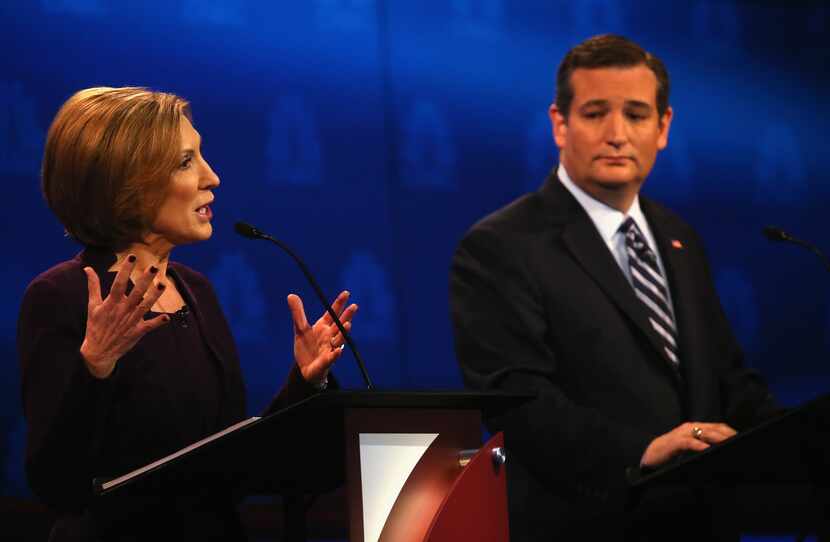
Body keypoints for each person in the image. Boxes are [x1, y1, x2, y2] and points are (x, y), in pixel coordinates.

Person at [450, 35, 780, 540]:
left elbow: (728, 379)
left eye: (636, 114)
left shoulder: (679, 238)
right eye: (595, 113)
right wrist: (642, 450)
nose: (617, 134)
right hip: (588, 523)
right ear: (559, 124)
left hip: (697, 523)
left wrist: (795, 441)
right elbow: (518, 402)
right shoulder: (500, 246)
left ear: (664, 127)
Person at [17, 87, 358, 541]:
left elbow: (229, 464)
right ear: (125, 180)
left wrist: (305, 383)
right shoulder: (60, 297)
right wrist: (94, 368)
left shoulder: (196, 291)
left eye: (201, 157)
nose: (212, 177)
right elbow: (55, 483)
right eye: (185, 162)